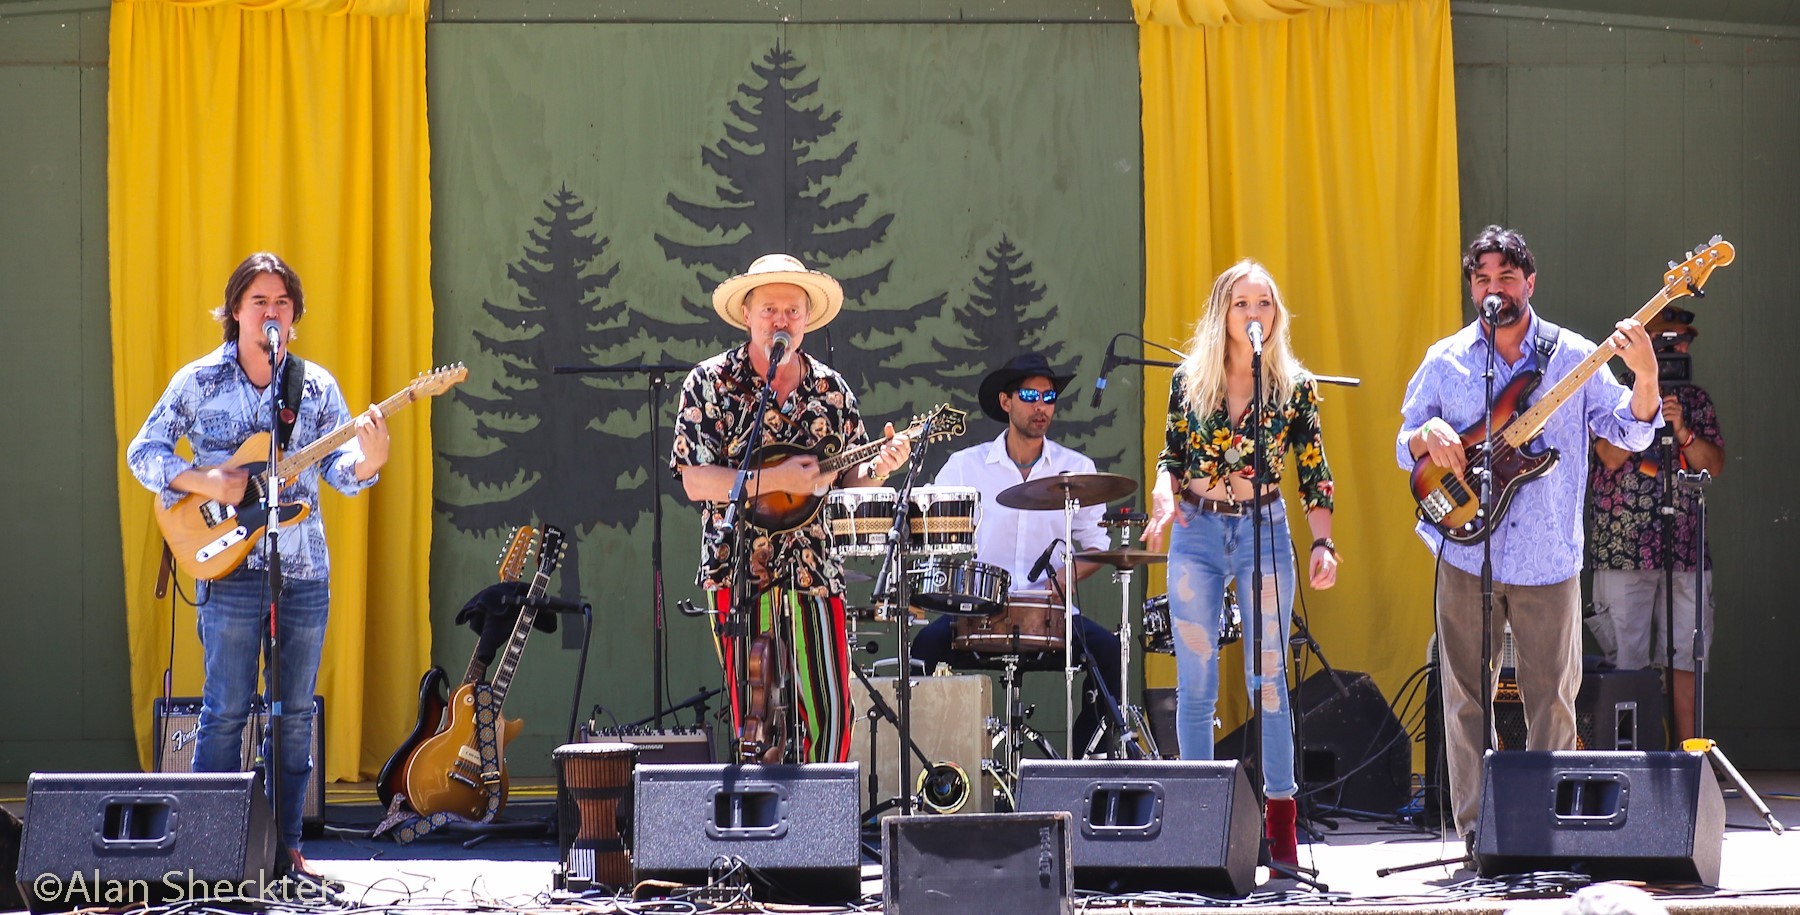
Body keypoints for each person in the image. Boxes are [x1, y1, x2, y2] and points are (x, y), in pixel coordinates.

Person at [126, 252, 390, 878]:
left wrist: (368, 462)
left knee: (294, 715)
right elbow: (145, 452)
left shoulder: (317, 387)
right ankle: (209, 848)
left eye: (281, 304)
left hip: (302, 573)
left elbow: (338, 473)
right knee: (225, 711)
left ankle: (286, 849)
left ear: (294, 317)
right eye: (258, 303)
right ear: (234, 313)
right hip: (226, 567)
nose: (270, 314)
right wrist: (208, 481)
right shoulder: (199, 381)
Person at [1397, 225, 1661, 847]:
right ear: (1471, 287)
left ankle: (1547, 834)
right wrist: (1426, 436)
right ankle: (1475, 833)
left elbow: (1633, 434)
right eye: (1483, 279)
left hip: (1549, 558)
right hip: (1464, 550)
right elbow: (1403, 442)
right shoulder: (1446, 359)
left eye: (1507, 278)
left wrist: (1644, 377)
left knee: (1554, 705)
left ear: (1530, 283)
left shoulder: (1574, 355)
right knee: (1465, 701)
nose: (1495, 290)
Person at [670, 253, 910, 764]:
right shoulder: (710, 383)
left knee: (829, 712)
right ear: (748, 315)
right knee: (755, 721)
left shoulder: (831, 390)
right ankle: (763, 834)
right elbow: (695, 480)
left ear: (806, 319)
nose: (781, 320)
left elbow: (849, 481)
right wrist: (772, 479)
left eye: (793, 311)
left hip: (815, 569)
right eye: (770, 309)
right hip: (738, 573)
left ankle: (820, 832)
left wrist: (882, 466)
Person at [1143, 259, 1340, 867]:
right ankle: (1204, 828)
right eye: (1242, 305)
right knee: (1196, 686)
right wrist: (1161, 493)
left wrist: (1322, 542)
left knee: (1269, 683)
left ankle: (1280, 832)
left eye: (1265, 305)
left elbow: (1315, 472)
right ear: (1222, 314)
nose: (1255, 315)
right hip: (1197, 529)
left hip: (1265, 527)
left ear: (1275, 316)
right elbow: (1171, 455)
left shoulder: (1292, 386)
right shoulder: (1189, 380)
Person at [909, 351, 1120, 756]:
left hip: (1050, 615)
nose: (1041, 406)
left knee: (1109, 653)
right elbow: (934, 537)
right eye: (1029, 395)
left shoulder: (1075, 468)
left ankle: (1081, 766)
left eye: (1049, 396)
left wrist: (1061, 581)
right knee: (920, 652)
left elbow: (1098, 547)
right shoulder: (964, 466)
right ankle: (935, 768)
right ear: (1006, 402)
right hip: (977, 613)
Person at [1587, 306, 1724, 745]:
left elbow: (1714, 465)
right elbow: (1608, 456)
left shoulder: (1695, 400)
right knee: (1626, 662)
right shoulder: (1614, 393)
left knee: (1687, 659)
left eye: (1683, 341)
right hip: (1623, 551)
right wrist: (1644, 405)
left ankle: (1690, 762)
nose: (1677, 348)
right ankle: (1630, 765)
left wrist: (1681, 428)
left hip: (1684, 551)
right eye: (1667, 340)